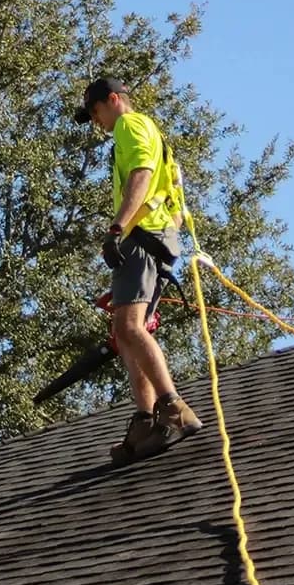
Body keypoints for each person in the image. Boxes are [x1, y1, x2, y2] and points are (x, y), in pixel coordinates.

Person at [74, 77, 202, 465]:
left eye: (96, 112)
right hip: (157, 236)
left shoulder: (130, 125)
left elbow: (142, 174)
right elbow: (174, 199)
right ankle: (148, 422)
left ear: (113, 100)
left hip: (142, 236)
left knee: (128, 327)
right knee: (127, 330)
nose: (96, 122)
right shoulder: (151, 133)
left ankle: (172, 406)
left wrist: (118, 228)